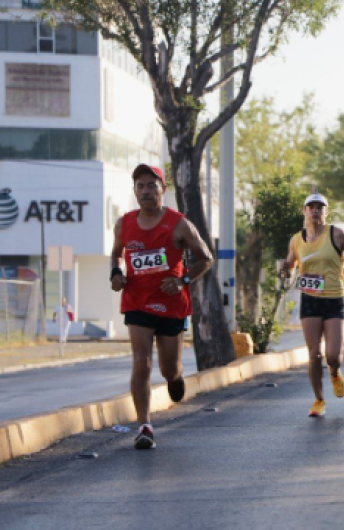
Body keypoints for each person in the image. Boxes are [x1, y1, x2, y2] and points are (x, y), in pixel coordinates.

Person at [110, 164, 214, 450]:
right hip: (137, 302)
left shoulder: (179, 224)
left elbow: (206, 258)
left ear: (162, 190)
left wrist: (182, 280)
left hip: (171, 304)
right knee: (141, 362)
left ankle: (175, 377)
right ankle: (144, 426)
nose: (145, 191)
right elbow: (116, 254)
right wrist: (115, 274)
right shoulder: (124, 224)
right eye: (140, 186)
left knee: (169, 368)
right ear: (135, 191)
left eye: (151, 185)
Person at [280, 193, 344, 418]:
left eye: (320, 207)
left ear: (326, 211)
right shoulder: (297, 240)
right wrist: (284, 269)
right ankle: (319, 400)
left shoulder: (337, 234)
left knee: (333, 355)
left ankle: (334, 373)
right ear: (304, 211)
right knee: (314, 354)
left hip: (334, 299)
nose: (315, 210)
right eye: (311, 207)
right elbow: (290, 264)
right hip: (310, 299)